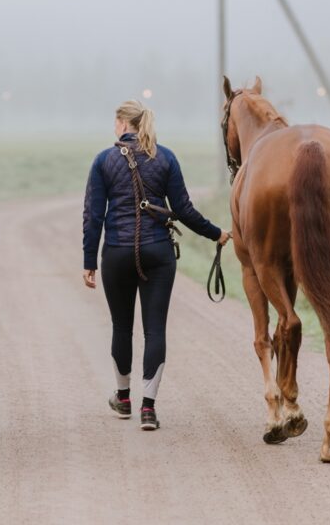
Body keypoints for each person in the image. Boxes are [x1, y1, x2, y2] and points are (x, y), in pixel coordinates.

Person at [82, 100, 231, 430]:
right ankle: (148, 409)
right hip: (158, 254)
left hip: (118, 252)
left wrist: (89, 259)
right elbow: (184, 210)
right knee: (154, 330)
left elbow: (93, 215)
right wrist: (216, 233)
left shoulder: (104, 160)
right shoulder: (165, 157)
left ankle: (123, 400)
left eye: (114, 121)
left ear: (123, 123)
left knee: (122, 327)